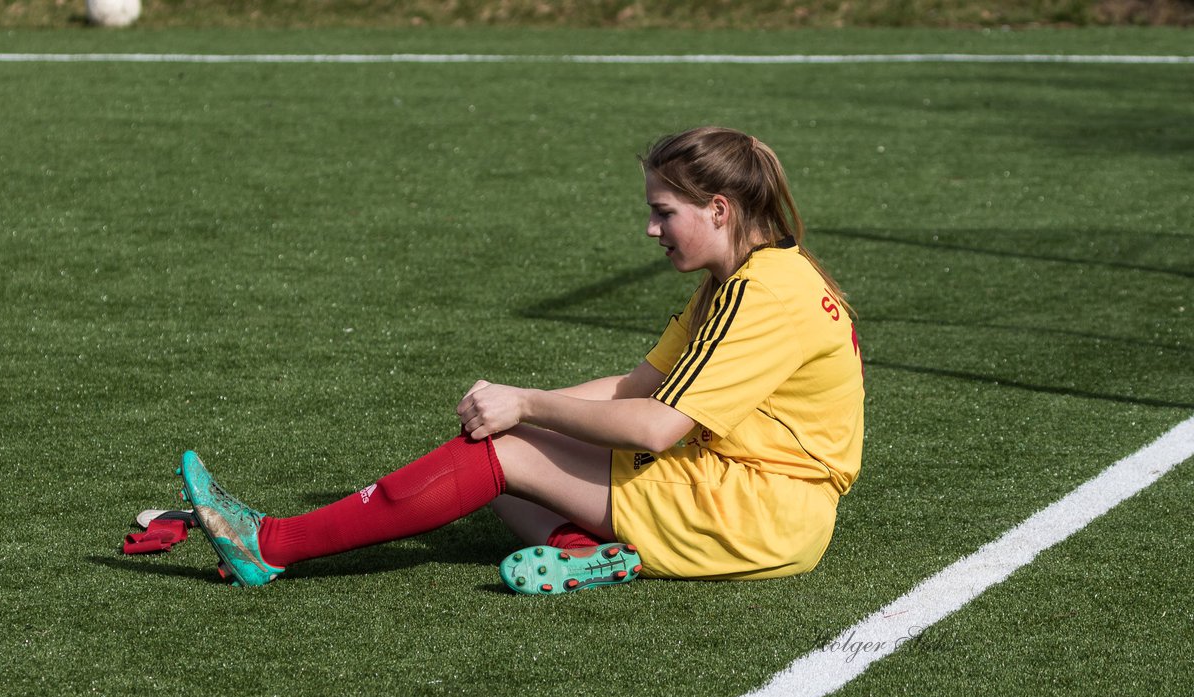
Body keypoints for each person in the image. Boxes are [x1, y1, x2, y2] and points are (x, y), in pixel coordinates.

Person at [178, 126, 864, 593]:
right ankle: (588, 556)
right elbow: (637, 384)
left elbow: (654, 424)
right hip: (755, 501)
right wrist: (521, 414)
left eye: (663, 212)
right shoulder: (748, 276)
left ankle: (270, 544)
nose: (650, 229)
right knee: (506, 459)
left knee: (503, 457)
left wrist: (528, 410)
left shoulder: (764, 294)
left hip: (758, 513)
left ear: (717, 209)